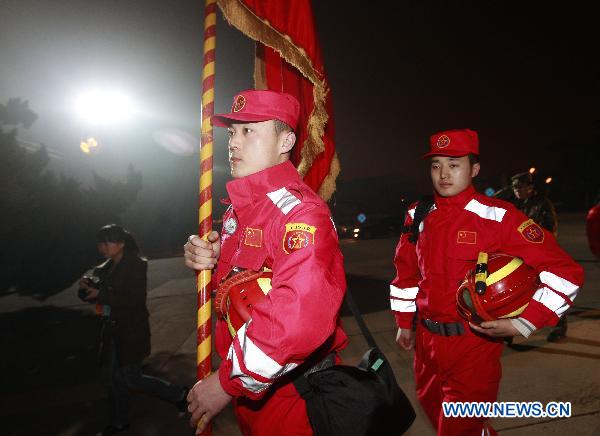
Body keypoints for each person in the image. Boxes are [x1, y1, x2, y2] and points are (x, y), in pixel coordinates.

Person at [390, 129, 584, 435]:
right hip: (426, 346)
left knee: (457, 429)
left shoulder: (499, 217)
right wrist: (404, 322)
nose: (443, 174)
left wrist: (523, 323)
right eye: (436, 164)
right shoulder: (418, 213)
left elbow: (565, 272)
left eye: (454, 165)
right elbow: (406, 273)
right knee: (444, 419)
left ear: (475, 169)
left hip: (474, 346)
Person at [183, 89, 347, 435]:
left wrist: (225, 383)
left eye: (249, 131)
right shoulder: (239, 210)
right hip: (252, 387)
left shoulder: (301, 212)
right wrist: (208, 258)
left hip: (291, 392)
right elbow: (244, 286)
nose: (233, 143)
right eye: (231, 132)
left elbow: (299, 318)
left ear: (286, 140)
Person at [79, 224, 188, 436]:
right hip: (111, 331)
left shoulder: (136, 265)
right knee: (111, 379)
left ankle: (178, 394)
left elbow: (133, 300)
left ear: (120, 244)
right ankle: (120, 423)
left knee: (130, 378)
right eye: (100, 243)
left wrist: (99, 295)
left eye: (106, 242)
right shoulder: (105, 267)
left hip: (130, 331)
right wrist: (86, 288)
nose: (102, 247)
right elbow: (92, 290)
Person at [510, 171, 566, 341]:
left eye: (520, 187)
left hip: (541, 255)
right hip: (519, 255)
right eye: (514, 188)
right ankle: (511, 329)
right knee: (517, 291)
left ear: (530, 187)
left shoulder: (542, 203)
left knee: (550, 291)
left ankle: (559, 326)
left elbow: (550, 228)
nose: (517, 190)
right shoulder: (515, 205)